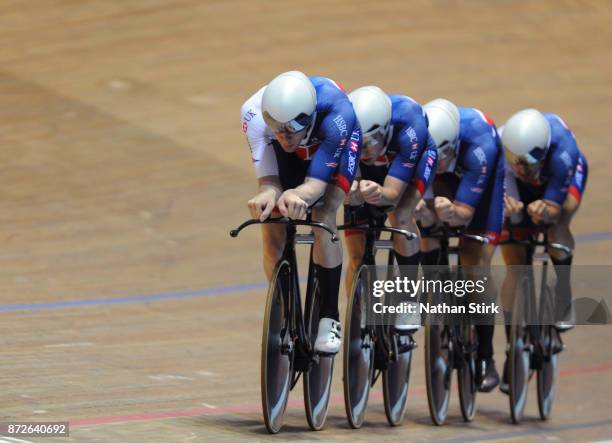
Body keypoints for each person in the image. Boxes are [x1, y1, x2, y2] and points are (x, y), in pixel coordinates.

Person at [240, 71, 361, 354]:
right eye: (278, 128)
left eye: (293, 127)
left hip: (331, 149)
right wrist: (268, 195)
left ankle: (330, 317)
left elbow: (316, 186)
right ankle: (282, 311)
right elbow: (269, 181)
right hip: (295, 155)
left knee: (324, 214)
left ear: (308, 116)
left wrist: (300, 194)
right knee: (270, 217)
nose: (285, 134)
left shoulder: (337, 113)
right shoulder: (254, 114)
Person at [415, 98, 505, 392]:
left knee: (474, 265)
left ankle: (485, 356)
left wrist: (451, 211)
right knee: (425, 224)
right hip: (448, 177)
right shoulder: (421, 141)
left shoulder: (481, 147)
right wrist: (426, 208)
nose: (436, 164)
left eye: (440, 157)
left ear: (452, 145)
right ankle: (435, 293)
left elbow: (464, 215)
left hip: (482, 184)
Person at [499, 109, 588, 392]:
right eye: (518, 163)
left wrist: (547, 207)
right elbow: (506, 191)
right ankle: (514, 344)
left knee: (555, 223)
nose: (523, 169)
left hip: (563, 180)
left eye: (528, 164)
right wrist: (510, 207)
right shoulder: (500, 147)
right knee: (514, 254)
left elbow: (552, 206)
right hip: (517, 184)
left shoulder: (564, 151)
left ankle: (563, 290)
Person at [344, 86, 437, 331]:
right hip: (374, 170)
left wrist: (376, 193)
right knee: (356, 250)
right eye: (359, 144)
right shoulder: (342, 128)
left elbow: (392, 195)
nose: (364, 150)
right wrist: (350, 192)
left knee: (401, 214)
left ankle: (407, 300)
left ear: (385, 130)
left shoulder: (410, 125)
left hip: (412, 161)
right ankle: (359, 313)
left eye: (370, 142)